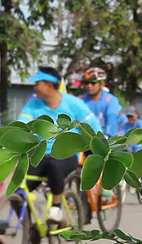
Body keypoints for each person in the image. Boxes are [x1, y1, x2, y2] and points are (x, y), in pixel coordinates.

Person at [17, 66, 102, 232]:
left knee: (54, 164)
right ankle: (29, 228)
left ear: (49, 84)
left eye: (38, 83)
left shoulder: (73, 104)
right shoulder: (33, 104)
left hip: (66, 155)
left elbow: (93, 126)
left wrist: (98, 147)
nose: (34, 87)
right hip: (40, 155)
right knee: (19, 191)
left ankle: (56, 207)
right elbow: (21, 124)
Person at [78, 67, 121, 138]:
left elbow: (112, 120)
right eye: (87, 83)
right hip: (83, 141)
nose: (89, 85)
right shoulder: (80, 100)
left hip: (104, 140)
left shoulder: (111, 100)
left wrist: (106, 137)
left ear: (102, 84)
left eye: (93, 82)